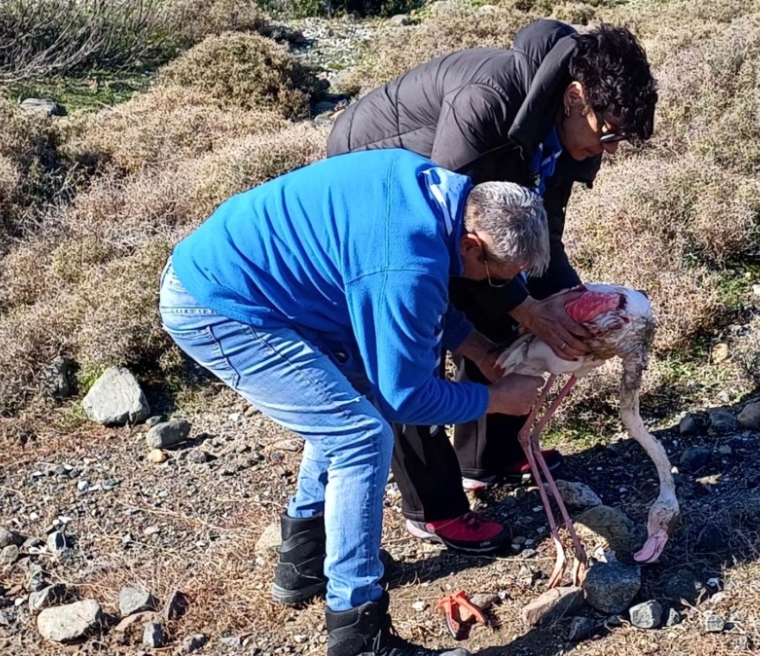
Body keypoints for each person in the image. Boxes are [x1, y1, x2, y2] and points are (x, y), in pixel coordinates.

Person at [159, 148, 549, 656]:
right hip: (220, 305)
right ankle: (359, 632)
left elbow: (422, 301)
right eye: (499, 275)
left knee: (351, 406)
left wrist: (481, 350)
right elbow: (405, 395)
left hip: (255, 283)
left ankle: (304, 558)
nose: (498, 285)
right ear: (473, 244)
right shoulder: (407, 258)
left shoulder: (436, 194)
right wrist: (494, 400)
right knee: (361, 436)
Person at [324, 18, 658, 561]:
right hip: (380, 182)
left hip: (460, 211)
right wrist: (526, 308)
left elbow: (539, 228)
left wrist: (562, 302)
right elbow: (456, 239)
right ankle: (434, 510)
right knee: (416, 337)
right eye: (611, 134)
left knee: (508, 299)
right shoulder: (489, 104)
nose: (611, 150)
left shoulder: (571, 132)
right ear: (577, 98)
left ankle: (491, 455)